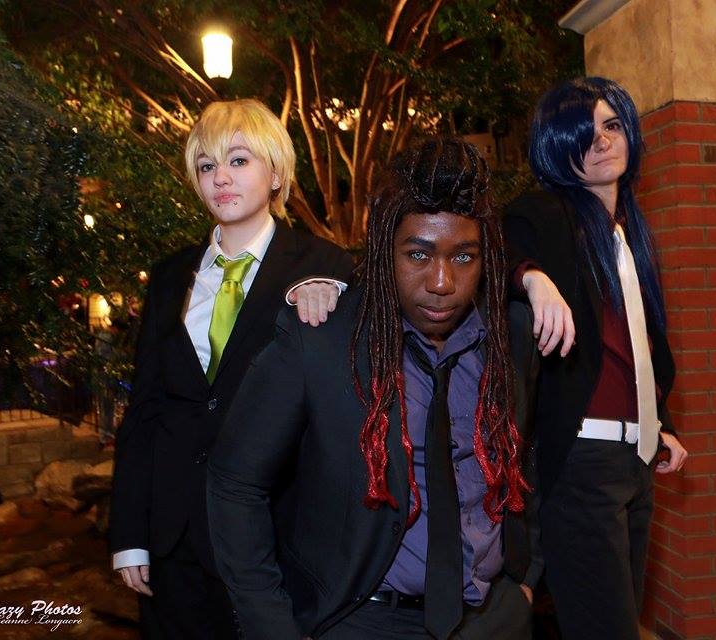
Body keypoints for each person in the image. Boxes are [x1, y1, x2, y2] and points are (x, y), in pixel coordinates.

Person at [208, 138, 542, 640]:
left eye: (463, 257)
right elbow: (235, 482)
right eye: (418, 254)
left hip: (493, 618)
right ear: (387, 249)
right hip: (362, 620)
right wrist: (272, 626)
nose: (441, 281)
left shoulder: (511, 336)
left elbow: (529, 454)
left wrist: (527, 577)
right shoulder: (321, 339)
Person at [108, 98, 354, 639]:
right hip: (173, 540)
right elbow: (145, 409)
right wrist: (129, 536)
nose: (220, 178)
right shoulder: (169, 276)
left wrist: (528, 279)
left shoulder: (327, 268)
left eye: (239, 160)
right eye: (207, 165)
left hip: (278, 537)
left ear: (277, 173)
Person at [503, 77, 688, 640]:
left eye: (611, 125)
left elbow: (635, 344)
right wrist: (531, 278)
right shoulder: (545, 212)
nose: (602, 141)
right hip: (583, 460)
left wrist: (660, 422)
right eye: (583, 132)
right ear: (557, 146)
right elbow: (489, 246)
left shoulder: (629, 233)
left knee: (618, 622)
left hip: (637, 459)